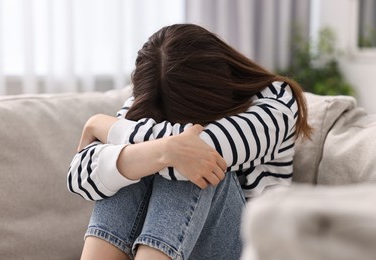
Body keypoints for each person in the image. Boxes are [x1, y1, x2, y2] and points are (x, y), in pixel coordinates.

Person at [67, 24, 312, 260]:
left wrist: (101, 125)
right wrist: (162, 150)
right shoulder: (152, 95)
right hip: (176, 245)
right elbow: (78, 179)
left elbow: (197, 150)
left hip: (247, 248)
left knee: (199, 162)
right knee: (143, 160)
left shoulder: (276, 101)